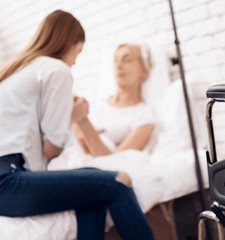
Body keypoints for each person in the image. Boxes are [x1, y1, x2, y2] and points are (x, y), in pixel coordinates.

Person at [0, 10, 154, 240]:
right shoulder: (56, 69)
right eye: (78, 52)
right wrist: (72, 117)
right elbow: (50, 150)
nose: (75, 61)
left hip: (8, 178)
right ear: (68, 44)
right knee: (117, 183)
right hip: (9, 181)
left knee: (93, 189)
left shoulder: (18, 69)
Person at [71, 44, 156, 157]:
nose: (118, 65)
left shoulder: (144, 115)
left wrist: (82, 122)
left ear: (143, 71)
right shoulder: (95, 103)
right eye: (115, 60)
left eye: (127, 60)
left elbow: (117, 162)